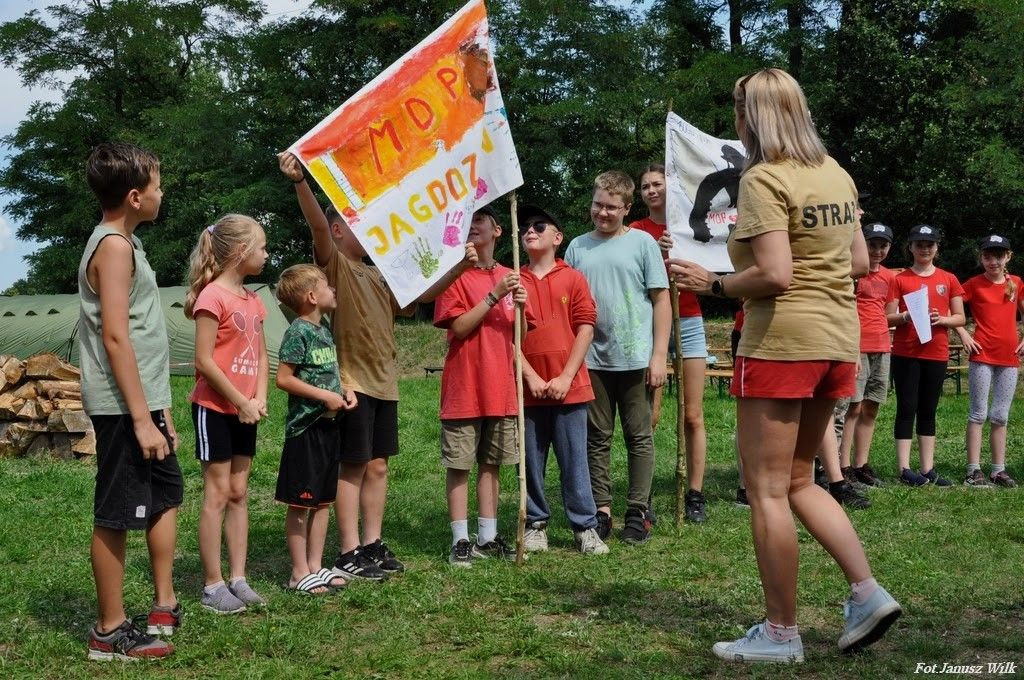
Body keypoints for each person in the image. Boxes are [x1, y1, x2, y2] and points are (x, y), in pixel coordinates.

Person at [669, 68, 901, 662]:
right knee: (801, 480)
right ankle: (867, 592)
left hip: (780, 343)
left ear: (756, 116)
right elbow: (855, 262)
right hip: (836, 338)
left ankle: (780, 633)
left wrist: (713, 281)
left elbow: (774, 274)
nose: (736, 121)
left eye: (739, 109)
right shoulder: (836, 174)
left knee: (768, 489)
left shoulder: (764, 178)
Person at [279, 152, 475, 581]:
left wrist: (459, 264)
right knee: (353, 465)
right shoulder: (337, 267)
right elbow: (315, 225)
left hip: (385, 383)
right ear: (338, 231)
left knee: (379, 464)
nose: (369, 232)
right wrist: (300, 182)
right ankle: (348, 549)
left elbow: (419, 298)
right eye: (358, 224)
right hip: (352, 382)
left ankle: (371, 542)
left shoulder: (377, 274)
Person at [80, 143, 180, 660]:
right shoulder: (113, 248)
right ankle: (109, 631)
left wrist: (159, 410)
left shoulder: (128, 243)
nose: (164, 194)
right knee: (118, 511)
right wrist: (142, 420)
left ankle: (164, 603)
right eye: (158, 186)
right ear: (136, 196)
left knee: (164, 494)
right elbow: (116, 337)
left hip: (143, 403)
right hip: (122, 409)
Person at [565, 170, 670, 545]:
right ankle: (603, 509)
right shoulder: (577, 247)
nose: (602, 213)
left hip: (636, 357)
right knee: (597, 436)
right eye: (597, 205)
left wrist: (659, 355)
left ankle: (638, 510)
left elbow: (661, 300)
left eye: (611, 207)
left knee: (639, 436)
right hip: (591, 359)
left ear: (627, 208)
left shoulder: (642, 243)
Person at [434, 207, 530, 566]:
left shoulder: (511, 275)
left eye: (480, 220)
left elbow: (519, 335)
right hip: (464, 386)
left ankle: (487, 537)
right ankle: (460, 539)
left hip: (501, 387)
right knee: (460, 465)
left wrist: (521, 304)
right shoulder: (455, 276)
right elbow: (457, 328)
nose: (472, 227)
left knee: (493, 464)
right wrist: (492, 297)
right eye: (467, 222)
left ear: (498, 230)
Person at [184, 214, 269, 614]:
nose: (267, 255)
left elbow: (263, 355)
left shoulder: (254, 301)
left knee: (239, 493)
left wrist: (260, 398)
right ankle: (212, 585)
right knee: (217, 495)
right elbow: (203, 361)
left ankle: (239, 578)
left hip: (246, 410)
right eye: (263, 247)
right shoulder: (211, 297)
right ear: (240, 252)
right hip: (215, 410)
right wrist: (240, 401)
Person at [517, 204, 609, 555]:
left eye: (540, 225)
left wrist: (566, 376)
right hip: (530, 389)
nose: (530, 230)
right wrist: (531, 377)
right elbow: (506, 337)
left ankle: (585, 527)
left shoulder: (573, 278)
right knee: (531, 462)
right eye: (526, 226)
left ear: (558, 237)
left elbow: (586, 326)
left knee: (575, 460)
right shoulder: (515, 279)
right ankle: (535, 524)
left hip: (571, 387)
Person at [630, 164, 709, 524]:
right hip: (650, 325)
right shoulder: (635, 231)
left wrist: (679, 252)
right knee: (650, 414)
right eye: (645, 186)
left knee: (692, 414)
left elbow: (711, 273)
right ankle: (642, 498)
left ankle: (695, 492)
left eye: (657, 184)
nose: (651, 190)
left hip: (689, 319)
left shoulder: (691, 226)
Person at [274, 264, 358, 594]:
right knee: (302, 504)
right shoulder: (298, 331)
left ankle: (315, 566)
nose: (332, 290)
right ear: (312, 296)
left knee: (323, 502)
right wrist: (324, 396)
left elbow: (328, 373)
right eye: (326, 286)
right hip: (305, 430)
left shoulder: (323, 329)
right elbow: (283, 378)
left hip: (329, 428)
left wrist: (343, 390)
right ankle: (297, 572)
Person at [885, 224, 965, 486]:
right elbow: (888, 316)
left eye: (929, 244)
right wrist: (906, 316)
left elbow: (960, 317)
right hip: (906, 352)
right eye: (919, 244)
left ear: (937, 248)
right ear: (910, 247)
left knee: (928, 409)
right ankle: (905, 468)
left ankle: (928, 468)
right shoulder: (900, 279)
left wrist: (940, 319)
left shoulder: (948, 279)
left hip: (936, 351)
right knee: (906, 407)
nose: (924, 248)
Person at [956, 235, 1023, 488]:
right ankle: (973, 470)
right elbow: (953, 308)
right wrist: (963, 333)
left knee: (1000, 415)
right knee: (978, 413)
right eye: (987, 256)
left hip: (1009, 357)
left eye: (998, 255)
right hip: (982, 355)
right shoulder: (973, 284)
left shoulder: (1016, 283)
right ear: (981, 257)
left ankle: (998, 469)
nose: (993, 261)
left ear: (1008, 256)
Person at [839, 223, 896, 488]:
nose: (877, 251)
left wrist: (908, 317)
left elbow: (889, 313)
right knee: (853, 406)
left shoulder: (890, 277)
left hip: (882, 346)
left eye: (882, 245)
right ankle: (844, 464)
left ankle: (862, 463)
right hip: (856, 346)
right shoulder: (853, 273)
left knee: (872, 406)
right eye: (872, 245)